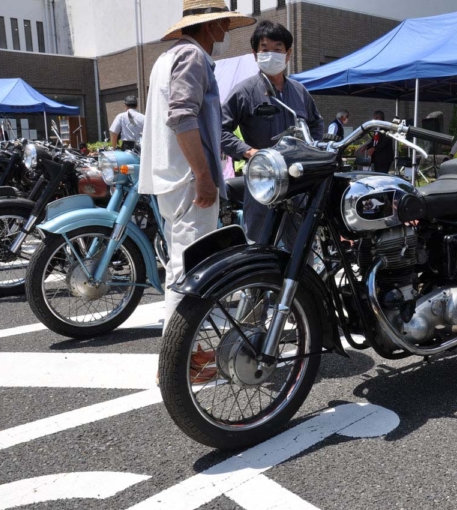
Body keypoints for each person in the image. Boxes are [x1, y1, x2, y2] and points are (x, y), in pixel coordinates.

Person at [139, 0, 255, 344]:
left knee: (180, 265)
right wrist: (204, 176)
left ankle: (181, 355)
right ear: (211, 27)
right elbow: (182, 116)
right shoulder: (193, 56)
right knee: (193, 269)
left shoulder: (166, 58)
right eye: (224, 26)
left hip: (169, 177)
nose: (225, 33)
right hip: (188, 178)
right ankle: (180, 359)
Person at [221, 20, 324, 243]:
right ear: (255, 54)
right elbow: (219, 130)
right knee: (260, 245)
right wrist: (249, 152)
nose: (271, 55)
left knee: (300, 246)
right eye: (264, 49)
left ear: (288, 55)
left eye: (277, 50)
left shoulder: (299, 91)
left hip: (297, 181)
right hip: (262, 183)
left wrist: (310, 149)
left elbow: (316, 123)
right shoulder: (244, 91)